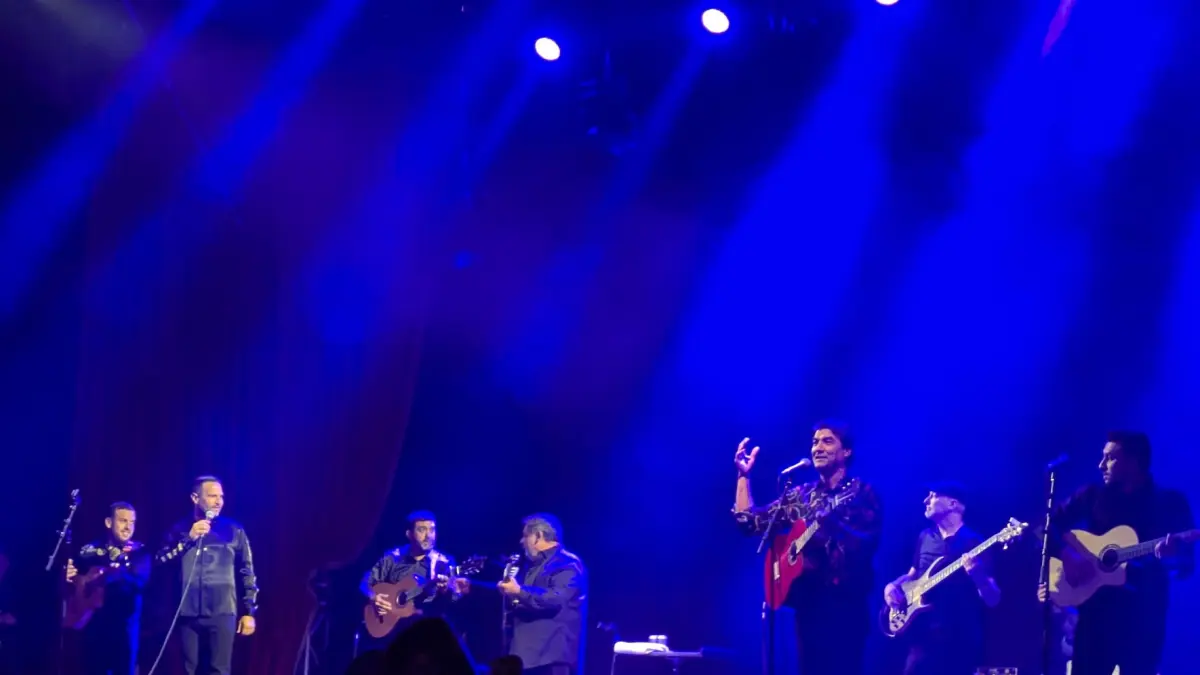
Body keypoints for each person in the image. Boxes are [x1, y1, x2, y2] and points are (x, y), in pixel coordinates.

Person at [732, 421, 882, 675]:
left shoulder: (861, 493)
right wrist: (743, 476)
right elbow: (749, 523)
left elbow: (865, 543)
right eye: (814, 442)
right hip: (808, 608)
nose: (818, 448)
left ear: (846, 451)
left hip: (846, 609)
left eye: (827, 441)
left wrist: (829, 526)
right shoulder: (801, 494)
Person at [1041, 431, 1194, 675]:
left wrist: (1169, 559)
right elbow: (1046, 528)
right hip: (1095, 616)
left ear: (1134, 462)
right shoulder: (1092, 495)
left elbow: (1185, 564)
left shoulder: (1170, 503)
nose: (1101, 465)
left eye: (1110, 458)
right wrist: (1070, 557)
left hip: (1144, 617)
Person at [884, 483, 1001, 675]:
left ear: (952, 504)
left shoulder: (974, 542)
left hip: (958, 639)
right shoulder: (925, 536)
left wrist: (978, 575)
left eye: (932, 496)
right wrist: (892, 586)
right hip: (922, 637)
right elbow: (912, 575)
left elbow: (993, 598)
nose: (925, 501)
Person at [156, 475, 258, 675]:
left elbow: (247, 571)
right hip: (187, 612)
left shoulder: (234, 530)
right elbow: (160, 562)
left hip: (222, 610)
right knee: (186, 670)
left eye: (221, 496)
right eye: (212, 496)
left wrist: (249, 611)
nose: (219, 501)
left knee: (219, 670)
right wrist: (188, 538)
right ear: (195, 498)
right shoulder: (178, 529)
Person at [64, 502, 151, 675]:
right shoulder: (90, 551)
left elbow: (139, 581)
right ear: (109, 522)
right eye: (123, 521)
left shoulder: (139, 552)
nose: (128, 527)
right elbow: (73, 580)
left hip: (125, 630)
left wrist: (108, 575)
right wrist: (70, 576)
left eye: (132, 522)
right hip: (94, 628)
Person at [494, 514, 587, 675]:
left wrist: (518, 591)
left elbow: (556, 598)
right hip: (527, 656)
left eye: (525, 536)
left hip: (549, 657)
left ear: (538, 536)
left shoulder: (566, 563)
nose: (521, 541)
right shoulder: (533, 565)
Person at [358, 510, 463, 652]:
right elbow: (366, 581)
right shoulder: (394, 557)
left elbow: (455, 599)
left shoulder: (444, 563)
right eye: (422, 530)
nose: (429, 536)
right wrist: (374, 597)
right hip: (393, 631)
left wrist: (448, 591)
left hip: (428, 633)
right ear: (409, 534)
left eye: (432, 530)